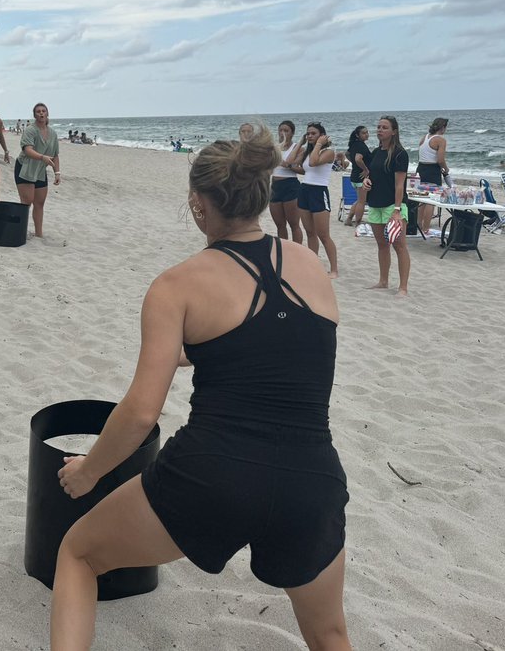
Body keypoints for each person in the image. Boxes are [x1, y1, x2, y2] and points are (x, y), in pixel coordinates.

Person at [51, 125, 349, 651]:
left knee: (77, 554)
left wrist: (88, 471)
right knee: (329, 635)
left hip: (214, 474)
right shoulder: (310, 266)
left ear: (197, 204)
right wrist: (204, 354)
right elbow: (288, 350)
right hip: (312, 481)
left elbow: (142, 413)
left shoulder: (177, 285)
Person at [363, 116, 410, 296]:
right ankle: (383, 281)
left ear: (394, 131)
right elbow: (371, 174)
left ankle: (403, 287)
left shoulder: (399, 153)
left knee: (399, 245)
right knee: (382, 245)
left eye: (384, 127)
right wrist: (367, 181)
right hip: (375, 204)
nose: (380, 130)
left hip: (393, 205)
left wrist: (397, 210)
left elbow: (400, 185)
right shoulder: (376, 152)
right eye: (378, 127)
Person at [293, 122, 338, 277]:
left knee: (323, 234)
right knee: (310, 232)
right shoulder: (308, 151)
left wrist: (319, 144)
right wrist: (301, 142)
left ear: (322, 135)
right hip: (305, 189)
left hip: (319, 192)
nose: (310, 136)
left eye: (313, 133)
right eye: (308, 134)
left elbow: (313, 162)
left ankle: (334, 269)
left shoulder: (329, 152)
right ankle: (313, 265)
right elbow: (295, 163)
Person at [15, 102, 61, 237]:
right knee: (27, 201)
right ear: (34, 115)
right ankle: (20, 231)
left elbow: (56, 155)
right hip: (25, 168)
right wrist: (42, 157)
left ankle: (38, 234)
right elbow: (27, 150)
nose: (41, 113)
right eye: (38, 111)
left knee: (40, 202)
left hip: (40, 171)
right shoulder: (30, 130)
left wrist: (57, 172)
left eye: (43, 111)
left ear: (47, 113)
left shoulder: (52, 133)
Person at [269, 120, 303, 244]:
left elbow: (300, 168)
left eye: (286, 130)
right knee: (280, 225)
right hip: (275, 186)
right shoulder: (273, 148)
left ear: (292, 133)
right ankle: (284, 252)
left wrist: (286, 165)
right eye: (280, 130)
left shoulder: (297, 148)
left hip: (290, 185)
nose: (282, 133)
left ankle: (297, 252)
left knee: (294, 224)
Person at [415, 117, 449, 236]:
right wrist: (446, 168)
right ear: (443, 127)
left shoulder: (424, 137)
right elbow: (440, 159)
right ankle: (425, 228)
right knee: (431, 200)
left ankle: (418, 224)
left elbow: (420, 153)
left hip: (421, 168)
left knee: (422, 199)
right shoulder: (441, 140)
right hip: (432, 170)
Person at [345, 125, 372, 229]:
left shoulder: (354, 145)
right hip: (361, 177)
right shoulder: (361, 145)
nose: (366, 134)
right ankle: (358, 223)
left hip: (355, 175)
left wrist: (356, 165)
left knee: (360, 199)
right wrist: (365, 169)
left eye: (367, 132)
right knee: (362, 201)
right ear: (358, 135)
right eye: (364, 133)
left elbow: (347, 154)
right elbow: (358, 159)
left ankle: (349, 219)